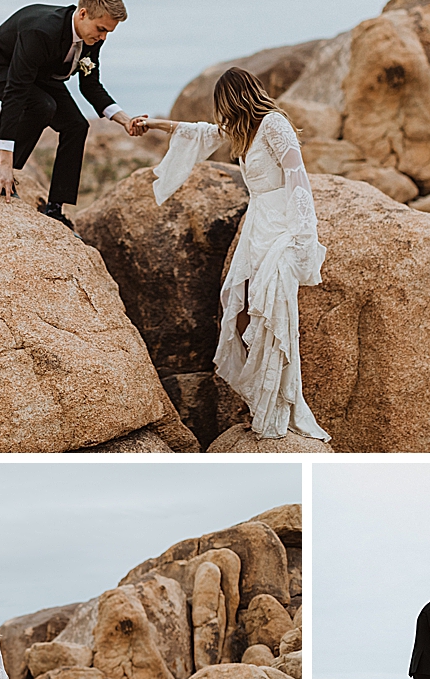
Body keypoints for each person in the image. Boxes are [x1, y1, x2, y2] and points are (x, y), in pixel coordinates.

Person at [134, 68, 330, 441]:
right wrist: (154, 123)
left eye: (223, 105)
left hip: (282, 228)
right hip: (257, 227)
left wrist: (304, 235)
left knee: (271, 311)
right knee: (238, 311)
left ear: (236, 98)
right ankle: (257, 394)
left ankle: (275, 406)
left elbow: (298, 178)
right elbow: (197, 131)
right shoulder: (243, 129)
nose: (220, 114)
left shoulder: (274, 124)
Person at [0, 0, 146, 229]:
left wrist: (125, 120)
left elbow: (90, 85)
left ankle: (55, 209)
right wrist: (5, 162)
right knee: (42, 105)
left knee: (76, 126)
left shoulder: (93, 37)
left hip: (39, 74)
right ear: (83, 13)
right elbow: (16, 93)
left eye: (108, 32)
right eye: (101, 29)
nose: (104, 37)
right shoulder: (41, 30)